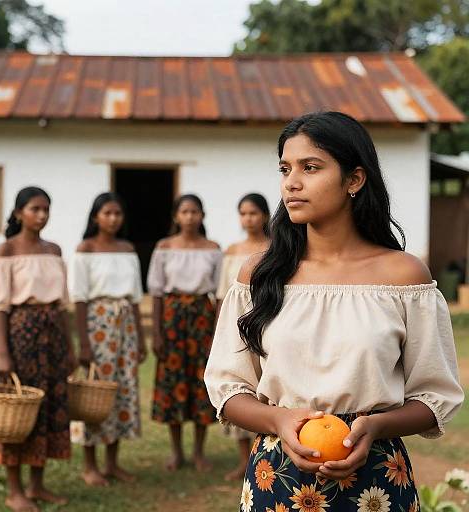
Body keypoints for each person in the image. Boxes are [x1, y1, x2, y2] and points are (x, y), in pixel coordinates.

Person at [205, 112, 465, 511]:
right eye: (285, 168)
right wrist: (279, 421)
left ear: (354, 180)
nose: (292, 182)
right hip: (277, 476)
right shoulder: (260, 275)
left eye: (311, 168)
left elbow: (434, 396)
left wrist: (376, 425)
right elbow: (228, 387)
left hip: (377, 479)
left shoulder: (403, 276)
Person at [0, 187, 76, 512]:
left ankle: (38, 484)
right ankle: (15, 489)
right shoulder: (6, 250)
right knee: (20, 409)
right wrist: (2, 351)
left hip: (53, 336)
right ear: (19, 212)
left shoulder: (54, 249)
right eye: (35, 208)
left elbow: (62, 304)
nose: (41, 215)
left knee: (49, 404)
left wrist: (68, 346)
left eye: (46, 209)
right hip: (22, 335)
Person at [68, 192, 147, 486]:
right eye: (107, 214)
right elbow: (78, 298)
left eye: (117, 214)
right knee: (93, 392)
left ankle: (113, 462)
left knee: (122, 389)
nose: (113, 219)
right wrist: (84, 343)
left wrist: (139, 337)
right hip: (97, 323)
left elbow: (136, 297)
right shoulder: (85, 249)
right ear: (95, 217)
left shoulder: (127, 249)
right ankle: (90, 465)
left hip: (125, 325)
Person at [147, 194, 222, 472]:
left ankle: (199, 452)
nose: (189, 217)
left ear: (202, 216)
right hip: (172, 318)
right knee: (173, 383)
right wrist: (156, 332)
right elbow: (155, 292)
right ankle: (177, 452)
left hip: (202, 317)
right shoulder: (164, 248)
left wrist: (217, 331)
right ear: (176, 216)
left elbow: (219, 292)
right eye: (184, 212)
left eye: (194, 212)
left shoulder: (213, 249)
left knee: (201, 385)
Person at [216, 193, 270, 481]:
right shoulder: (232, 251)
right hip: (238, 327)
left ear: (264, 215)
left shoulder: (277, 249)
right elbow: (224, 297)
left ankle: (265, 452)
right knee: (242, 388)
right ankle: (243, 460)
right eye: (243, 213)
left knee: (266, 392)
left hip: (268, 327)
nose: (248, 218)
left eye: (253, 213)